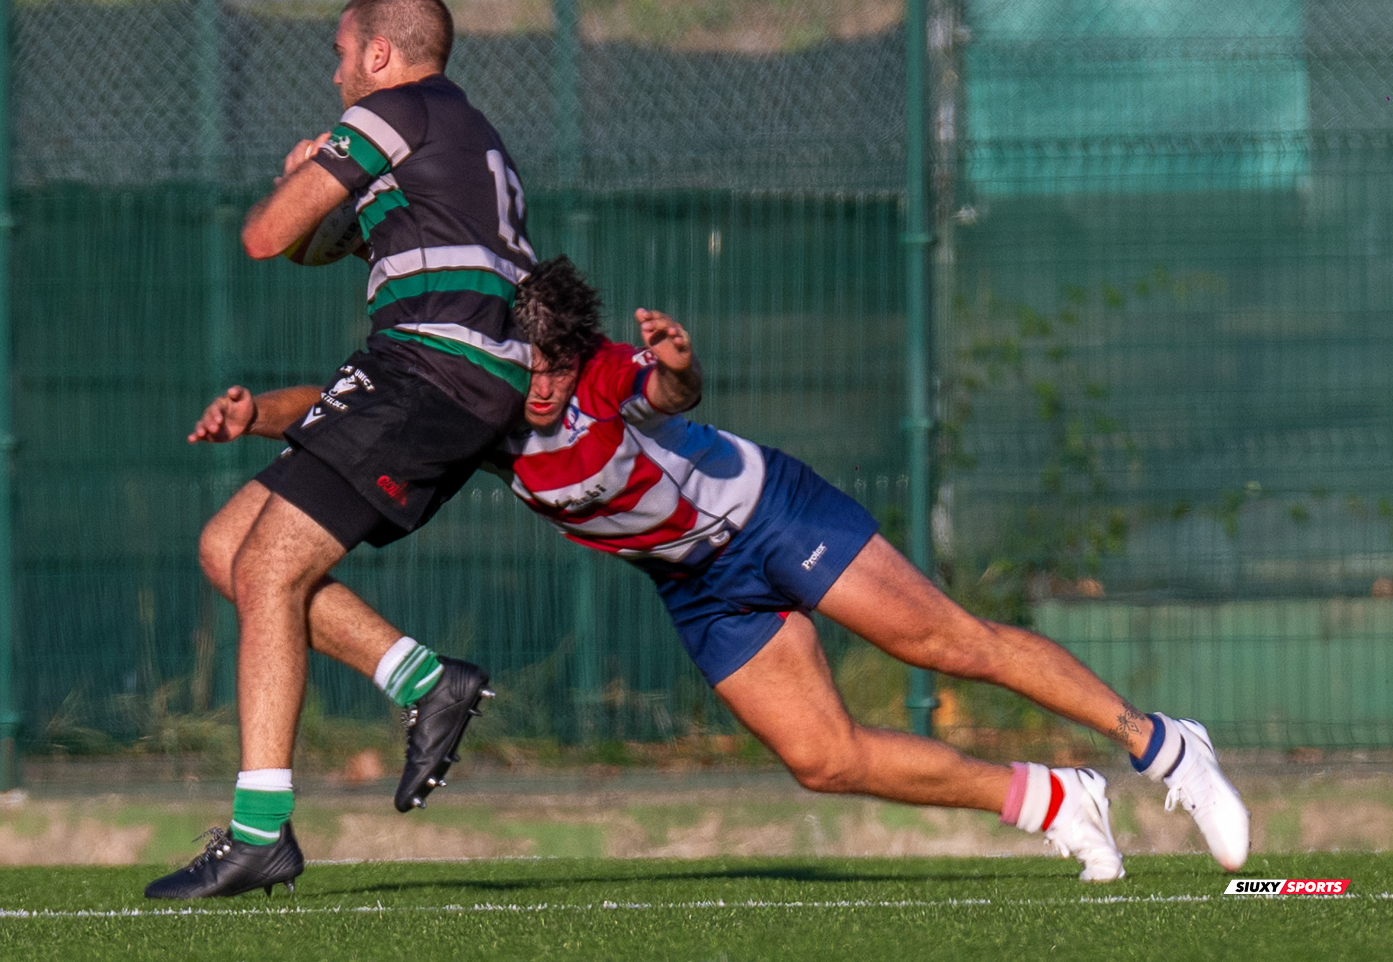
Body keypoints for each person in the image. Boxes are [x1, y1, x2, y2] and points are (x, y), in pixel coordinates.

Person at [180, 257, 1253, 886]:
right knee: (824, 759)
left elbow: (668, 390)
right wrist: (256, 416)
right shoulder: (483, 412)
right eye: (529, 365)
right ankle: (1056, 798)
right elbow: (349, 402)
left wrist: (680, 361)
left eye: (557, 364)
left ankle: (1161, 744)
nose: (541, 386)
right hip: (696, 582)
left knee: (947, 643)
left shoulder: (604, 375)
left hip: (771, 516)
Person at [143, 0, 534, 901]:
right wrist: (331, 191)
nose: (335, 71)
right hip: (436, 375)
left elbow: (266, 236)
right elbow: (327, 245)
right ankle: (427, 682)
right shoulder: (460, 132)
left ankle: (259, 832)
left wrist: (311, 170)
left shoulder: (394, 113)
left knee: (271, 571)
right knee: (230, 549)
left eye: (340, 52)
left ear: (382, 55)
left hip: (427, 374)